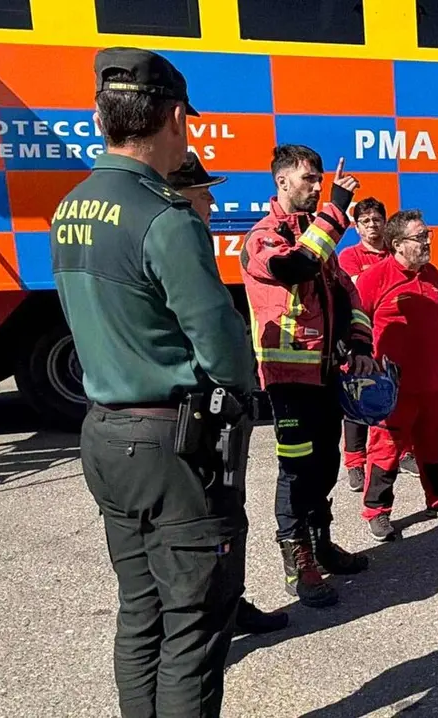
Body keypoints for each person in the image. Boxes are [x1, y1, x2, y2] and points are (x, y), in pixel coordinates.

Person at [51, 48, 252, 717]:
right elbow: (220, 344)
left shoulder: (70, 207)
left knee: (141, 614)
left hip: (104, 433)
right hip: (172, 445)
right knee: (193, 623)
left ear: (99, 116)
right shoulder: (165, 216)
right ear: (174, 116)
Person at [239, 144, 375, 608]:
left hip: (324, 376)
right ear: (281, 182)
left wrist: (359, 345)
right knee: (296, 470)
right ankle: (298, 563)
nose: (316, 187)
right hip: (288, 379)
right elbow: (294, 266)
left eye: (320, 179)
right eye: (308, 180)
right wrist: (336, 210)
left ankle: (321, 546)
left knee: (325, 464)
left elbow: (347, 293)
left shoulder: (318, 236)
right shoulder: (264, 236)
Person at [166, 151, 289, 636]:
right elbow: (209, 330)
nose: (212, 200)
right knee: (211, 520)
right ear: (179, 197)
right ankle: (212, 617)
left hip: (205, 411)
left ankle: (228, 603)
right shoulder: (176, 241)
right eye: (203, 192)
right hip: (199, 411)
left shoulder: (184, 240)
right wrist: (238, 385)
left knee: (225, 517)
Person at [355, 210, 438, 541]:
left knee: (431, 448)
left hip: (433, 384)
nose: (427, 242)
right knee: (386, 451)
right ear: (397, 244)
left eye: (427, 235)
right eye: (420, 237)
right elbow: (355, 324)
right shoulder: (374, 278)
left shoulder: (432, 274)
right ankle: (377, 511)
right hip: (392, 389)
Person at [336, 197, 418, 491]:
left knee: (401, 397)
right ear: (356, 227)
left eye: (377, 220)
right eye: (365, 221)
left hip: (393, 338)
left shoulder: (391, 253)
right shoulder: (349, 256)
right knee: (358, 401)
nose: (372, 225)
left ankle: (405, 451)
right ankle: (356, 463)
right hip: (360, 338)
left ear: (386, 223)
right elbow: (357, 287)